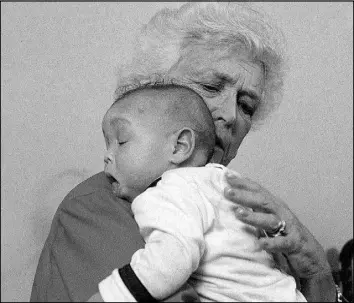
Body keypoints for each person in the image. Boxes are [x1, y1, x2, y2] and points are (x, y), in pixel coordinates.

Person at [31, 2, 338, 302]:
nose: (231, 115)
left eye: (246, 106)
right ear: (155, 87)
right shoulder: (98, 205)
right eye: (211, 86)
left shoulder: (244, 213)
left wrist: (315, 270)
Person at [93, 81, 306, 302]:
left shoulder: (166, 191)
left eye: (121, 141)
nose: (108, 155)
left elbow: (171, 259)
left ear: (179, 146)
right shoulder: (224, 182)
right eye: (107, 145)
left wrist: (108, 296)